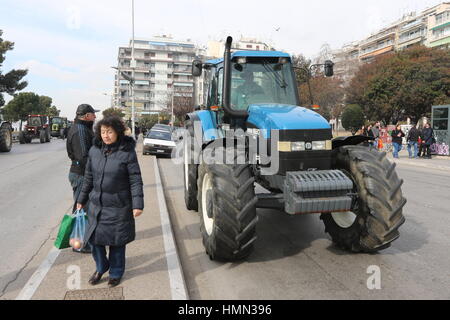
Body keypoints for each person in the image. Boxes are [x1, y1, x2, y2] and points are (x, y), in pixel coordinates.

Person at [76, 116, 144, 288]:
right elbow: (88, 178)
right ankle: (102, 266)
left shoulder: (126, 152)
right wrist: (81, 199)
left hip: (119, 206)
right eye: (103, 132)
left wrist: (137, 204)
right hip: (97, 205)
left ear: (117, 133)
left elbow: (135, 179)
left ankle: (115, 273)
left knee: (117, 243)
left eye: (110, 132)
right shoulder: (94, 151)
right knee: (93, 240)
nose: (106, 135)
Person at [66, 104, 99, 253]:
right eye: (93, 115)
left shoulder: (82, 128)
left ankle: (81, 240)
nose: (95, 117)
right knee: (83, 208)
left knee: (84, 208)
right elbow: (84, 157)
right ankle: (81, 243)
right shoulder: (80, 131)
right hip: (81, 175)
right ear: (86, 116)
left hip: (81, 174)